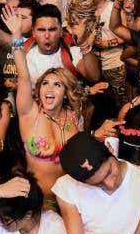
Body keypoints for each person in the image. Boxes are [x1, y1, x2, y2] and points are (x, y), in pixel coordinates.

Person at [12, 45, 85, 199]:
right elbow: (23, 77)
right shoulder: (30, 114)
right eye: (45, 83)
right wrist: (16, 38)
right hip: (39, 202)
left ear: (66, 93)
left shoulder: (74, 115)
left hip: (71, 199)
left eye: (57, 85)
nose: (49, 89)